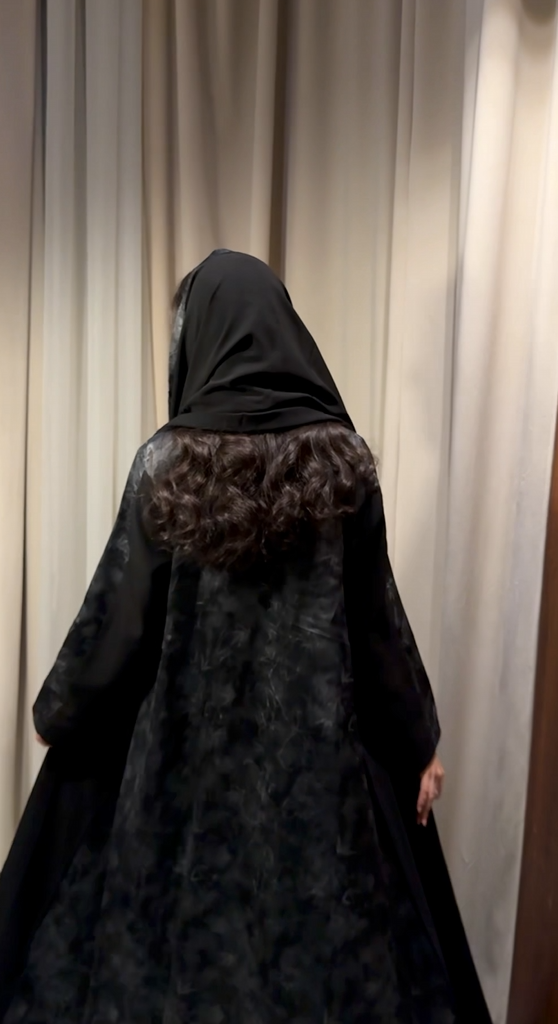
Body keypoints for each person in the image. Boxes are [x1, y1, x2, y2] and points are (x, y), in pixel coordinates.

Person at [0, 250, 492, 1023]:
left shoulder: (165, 465)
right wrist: (418, 740)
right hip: (318, 791)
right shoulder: (344, 466)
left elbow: (119, 621)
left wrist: (61, 710)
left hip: (181, 790)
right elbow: (377, 629)